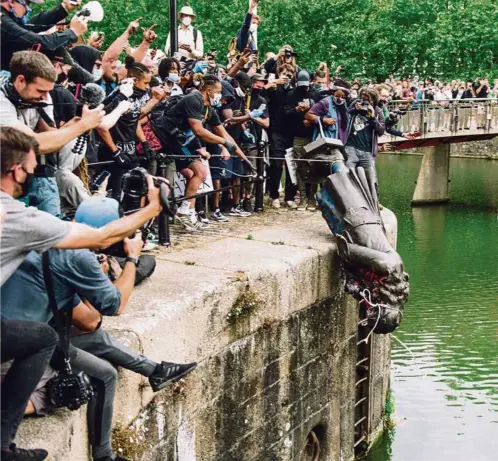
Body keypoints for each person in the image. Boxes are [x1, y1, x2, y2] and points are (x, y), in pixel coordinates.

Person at [0, 126, 164, 286]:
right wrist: (153, 208)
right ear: (17, 171)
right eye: (32, 169)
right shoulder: (18, 217)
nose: (34, 175)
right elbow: (102, 237)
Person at [158, 75, 247, 231]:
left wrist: (243, 158)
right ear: (209, 90)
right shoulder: (194, 99)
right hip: (167, 138)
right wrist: (222, 142)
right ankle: (185, 211)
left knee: (196, 174)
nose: (220, 96)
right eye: (218, 91)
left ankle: (187, 211)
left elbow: (225, 134)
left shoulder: (209, 109)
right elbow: (198, 130)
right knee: (200, 171)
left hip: (180, 142)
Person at [0, 0, 87, 71]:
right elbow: (39, 42)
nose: (28, 9)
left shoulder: (6, 18)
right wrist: (72, 32)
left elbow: (31, 27)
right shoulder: (3, 21)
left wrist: (64, 8)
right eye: (27, 4)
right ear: (11, 1)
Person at [264, 64, 296, 209]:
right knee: (276, 164)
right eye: (284, 73)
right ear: (278, 73)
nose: (287, 76)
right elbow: (259, 97)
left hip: (291, 131)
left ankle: (290, 196)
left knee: (291, 165)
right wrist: (273, 84)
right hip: (276, 130)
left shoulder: (296, 90)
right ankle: (274, 195)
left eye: (290, 73)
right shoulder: (273, 88)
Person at [345, 88, 385, 171]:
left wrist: (373, 117)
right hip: (351, 148)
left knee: (371, 178)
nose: (365, 103)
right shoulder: (356, 104)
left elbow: (381, 131)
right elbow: (345, 115)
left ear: (373, 100)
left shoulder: (378, 111)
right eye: (363, 99)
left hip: (368, 151)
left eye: (368, 100)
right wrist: (355, 110)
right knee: (349, 174)